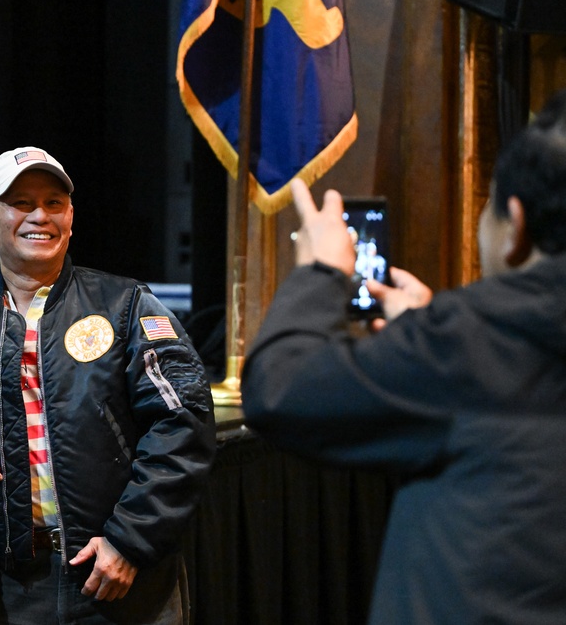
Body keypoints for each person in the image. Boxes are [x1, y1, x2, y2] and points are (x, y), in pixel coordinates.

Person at [241, 91, 566, 623]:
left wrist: (322, 272)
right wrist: (425, 332)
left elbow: (280, 391)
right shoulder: (466, 342)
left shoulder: (474, 339)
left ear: (517, 227)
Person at [0, 147, 216, 624]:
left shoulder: (127, 304)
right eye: (21, 202)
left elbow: (184, 423)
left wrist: (129, 540)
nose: (40, 216)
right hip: (18, 581)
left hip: (119, 573)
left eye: (54, 203)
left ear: (70, 216)